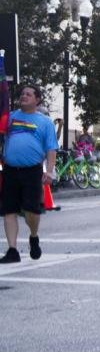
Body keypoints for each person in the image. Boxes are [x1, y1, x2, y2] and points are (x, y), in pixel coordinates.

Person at [0, 85, 58, 263]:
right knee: (9, 210)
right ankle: (12, 250)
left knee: (31, 211)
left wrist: (50, 171)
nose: (23, 96)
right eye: (22, 94)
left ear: (37, 100)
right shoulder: (9, 118)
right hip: (10, 170)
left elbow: (51, 149)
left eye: (28, 94)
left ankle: (33, 236)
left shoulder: (45, 122)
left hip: (32, 172)